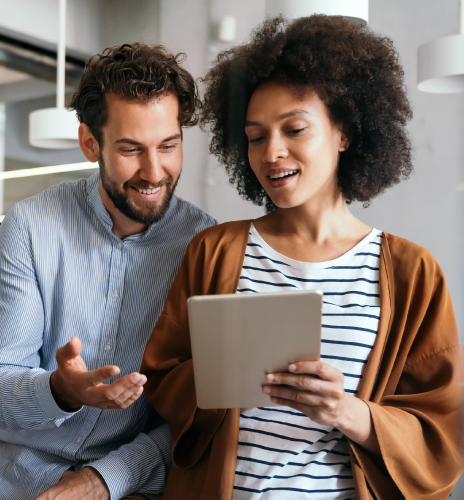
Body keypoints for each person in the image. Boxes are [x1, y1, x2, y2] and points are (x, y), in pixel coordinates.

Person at [141, 15, 464, 500]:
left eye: (294, 129)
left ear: (345, 133)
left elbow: (443, 429)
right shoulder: (216, 250)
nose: (272, 152)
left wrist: (346, 412)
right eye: (255, 136)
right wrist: (224, 372)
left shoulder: (411, 272)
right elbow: (162, 376)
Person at [0, 43, 216, 500]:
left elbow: (197, 413)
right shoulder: (31, 225)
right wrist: (60, 390)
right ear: (89, 143)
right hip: (14, 486)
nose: (154, 171)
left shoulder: (205, 245)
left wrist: (102, 481)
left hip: (131, 488)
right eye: (130, 149)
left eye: (169, 145)